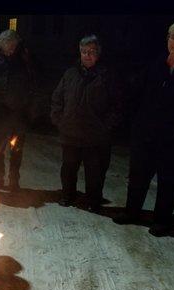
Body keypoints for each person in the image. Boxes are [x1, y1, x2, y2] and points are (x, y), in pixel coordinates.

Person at [113, 19, 174, 236]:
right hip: (146, 133)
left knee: (169, 180)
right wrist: (135, 122)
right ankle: (132, 212)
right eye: (172, 37)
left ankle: (162, 220)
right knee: (138, 176)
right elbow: (137, 94)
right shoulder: (156, 64)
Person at [50, 35, 122, 212]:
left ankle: (93, 200)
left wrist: (106, 127)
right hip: (70, 133)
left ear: (98, 54)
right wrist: (59, 120)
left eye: (91, 52)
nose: (87, 55)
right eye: (84, 51)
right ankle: (68, 195)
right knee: (68, 169)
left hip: (95, 136)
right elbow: (57, 98)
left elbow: (118, 105)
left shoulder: (106, 76)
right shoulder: (70, 73)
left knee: (95, 172)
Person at [0, 30, 36, 192]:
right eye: (6, 48)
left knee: (16, 149)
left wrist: (28, 108)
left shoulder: (25, 61)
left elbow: (32, 86)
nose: (9, 51)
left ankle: (14, 179)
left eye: (12, 47)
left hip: (18, 114)